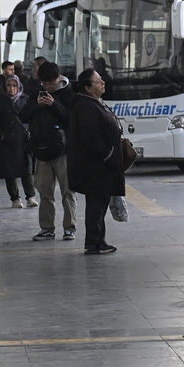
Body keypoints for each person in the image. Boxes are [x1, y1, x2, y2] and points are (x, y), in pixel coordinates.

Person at [67, 68, 124, 255]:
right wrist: (107, 155)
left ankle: (98, 241)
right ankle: (94, 243)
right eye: (98, 81)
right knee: (96, 204)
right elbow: (90, 136)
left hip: (101, 165)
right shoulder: (86, 106)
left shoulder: (94, 102)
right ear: (88, 87)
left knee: (99, 204)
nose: (103, 82)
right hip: (95, 166)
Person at [20, 60, 77, 241]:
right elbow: (23, 116)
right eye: (44, 83)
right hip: (42, 150)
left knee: (68, 191)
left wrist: (54, 105)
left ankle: (69, 228)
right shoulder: (36, 93)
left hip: (64, 151)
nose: (47, 87)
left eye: (50, 83)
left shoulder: (69, 93)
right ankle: (47, 228)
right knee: (44, 192)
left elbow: (72, 119)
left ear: (58, 78)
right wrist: (36, 105)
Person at [0, 75, 37, 209]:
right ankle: (15, 198)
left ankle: (30, 196)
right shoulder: (0, 101)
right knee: (9, 171)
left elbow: (32, 118)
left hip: (23, 140)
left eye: (14, 85)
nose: (11, 88)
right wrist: (1, 136)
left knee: (27, 169)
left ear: (19, 86)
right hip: (8, 140)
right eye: (9, 85)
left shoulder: (25, 99)